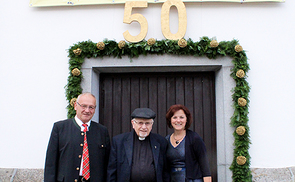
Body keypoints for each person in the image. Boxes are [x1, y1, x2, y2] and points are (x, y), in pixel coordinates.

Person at [44, 93, 111, 182]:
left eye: (91, 107)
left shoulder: (102, 131)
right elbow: (51, 163)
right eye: (84, 106)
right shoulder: (60, 128)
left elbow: (108, 163)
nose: (87, 110)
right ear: (76, 106)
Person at [107, 108, 169, 182]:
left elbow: (165, 171)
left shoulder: (160, 142)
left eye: (147, 123)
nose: (144, 127)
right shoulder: (119, 142)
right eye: (140, 123)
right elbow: (111, 171)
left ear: (152, 124)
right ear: (133, 123)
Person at [165, 104, 211, 182]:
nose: (178, 120)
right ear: (170, 120)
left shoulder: (195, 139)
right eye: (175, 117)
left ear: (186, 120)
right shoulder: (166, 140)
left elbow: (205, 168)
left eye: (181, 117)